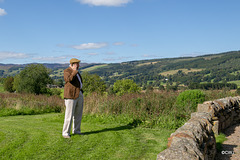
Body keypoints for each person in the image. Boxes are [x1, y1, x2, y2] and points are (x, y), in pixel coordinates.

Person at [62, 58, 84, 138]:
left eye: (78, 64)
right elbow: (68, 79)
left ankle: (76, 131)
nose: (78, 65)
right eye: (77, 64)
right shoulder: (67, 71)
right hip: (70, 95)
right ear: (72, 64)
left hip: (79, 94)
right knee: (69, 115)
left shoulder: (77, 72)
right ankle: (65, 133)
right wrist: (74, 71)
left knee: (78, 114)